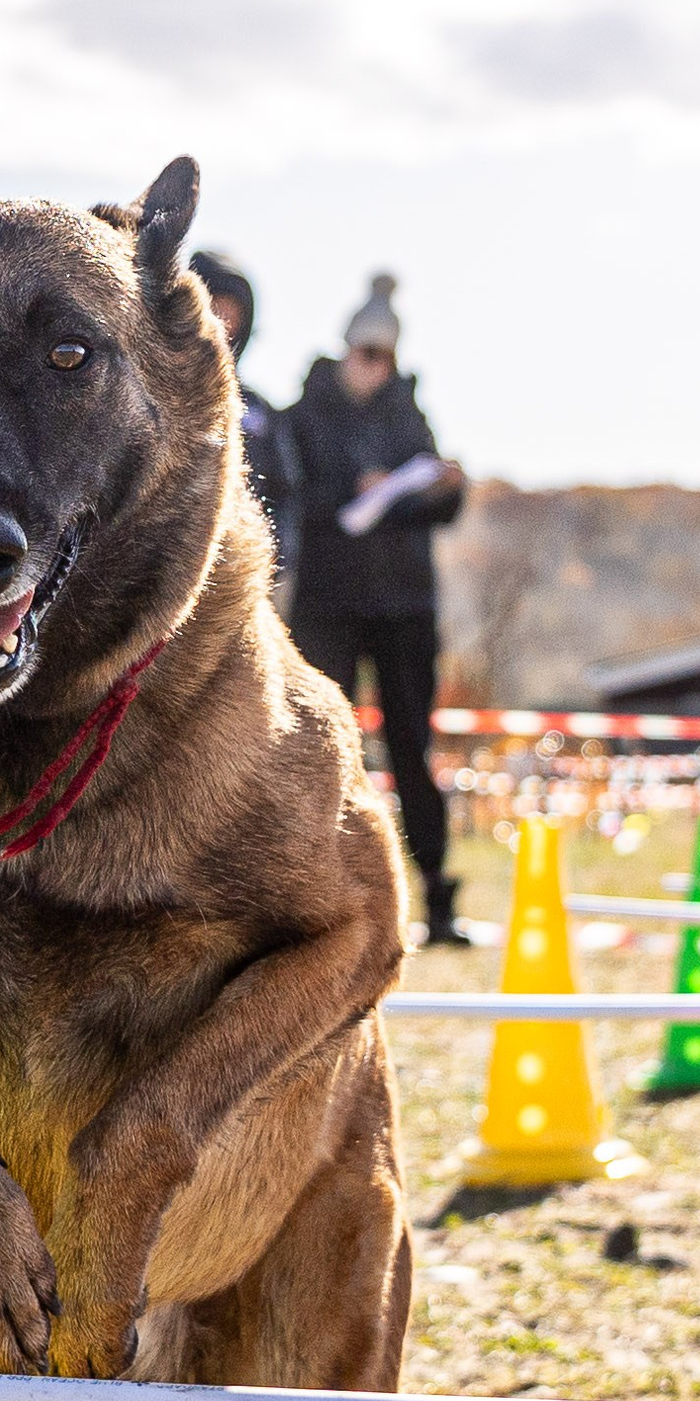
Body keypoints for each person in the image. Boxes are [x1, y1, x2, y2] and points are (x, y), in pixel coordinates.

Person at [286, 273, 466, 945]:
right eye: (367, 354)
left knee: (412, 749)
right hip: (329, 603)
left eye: (387, 357)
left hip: (405, 605)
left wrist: (438, 487)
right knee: (320, 747)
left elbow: (440, 505)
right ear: (345, 350)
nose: (377, 368)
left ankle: (438, 898)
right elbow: (296, 501)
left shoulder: (408, 414)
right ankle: (313, 896)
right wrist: (353, 489)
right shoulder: (305, 415)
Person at [191, 249, 300, 586]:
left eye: (231, 315)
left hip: (241, 576)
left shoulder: (259, 411)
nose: (222, 325)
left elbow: (285, 490)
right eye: (213, 310)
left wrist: (275, 558)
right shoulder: (151, 398)